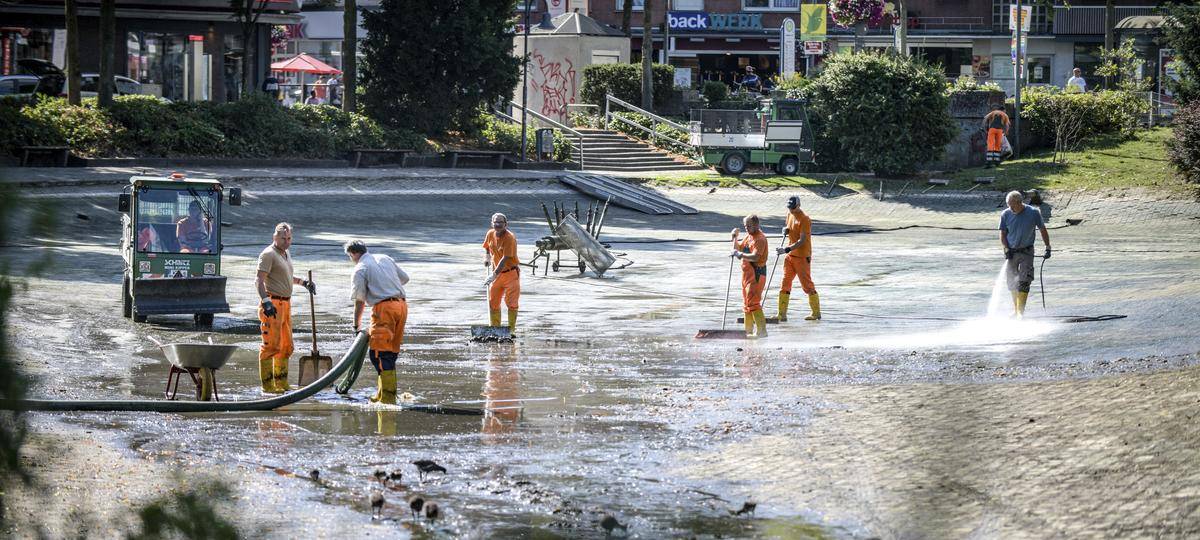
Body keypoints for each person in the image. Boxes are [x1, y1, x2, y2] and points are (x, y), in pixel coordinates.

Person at [255, 223, 317, 393]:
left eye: (289, 238)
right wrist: (266, 301)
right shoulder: (268, 254)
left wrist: (304, 282)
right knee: (271, 346)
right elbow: (259, 281)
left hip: (286, 304)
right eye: (283, 238)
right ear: (275, 237)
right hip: (272, 304)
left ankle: (281, 383)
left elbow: (287, 277)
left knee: (286, 346)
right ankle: (267, 386)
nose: (287, 242)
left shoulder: (286, 253)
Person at [345, 240, 409, 405]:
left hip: (384, 309)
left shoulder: (360, 268)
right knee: (391, 351)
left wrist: (356, 326)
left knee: (379, 354)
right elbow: (405, 278)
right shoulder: (385, 258)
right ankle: (383, 393)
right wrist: (385, 283)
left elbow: (359, 301)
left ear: (352, 254)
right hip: (401, 306)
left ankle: (387, 397)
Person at [999, 191, 1051, 318]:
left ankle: (1020, 313)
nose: (1010, 208)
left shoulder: (1033, 213)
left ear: (1019, 202)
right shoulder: (1005, 214)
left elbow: (1043, 229)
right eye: (1009, 205)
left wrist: (1048, 247)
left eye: (1012, 205)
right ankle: (1016, 309)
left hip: (1027, 251)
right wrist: (1006, 248)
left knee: (1024, 280)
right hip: (1011, 252)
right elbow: (1003, 234)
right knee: (1011, 281)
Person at [776, 195, 820, 322]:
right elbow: (790, 229)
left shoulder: (805, 219)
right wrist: (786, 231)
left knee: (807, 285)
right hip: (790, 257)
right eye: (790, 208)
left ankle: (816, 313)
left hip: (802, 256)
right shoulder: (789, 215)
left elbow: (802, 240)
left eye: (793, 208)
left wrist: (786, 249)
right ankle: (782, 314)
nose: (791, 210)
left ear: (799, 206)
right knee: (785, 283)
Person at [483, 213, 520, 334]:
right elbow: (487, 246)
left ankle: (511, 331)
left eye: (500, 222)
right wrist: (487, 257)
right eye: (495, 222)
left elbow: (505, 259)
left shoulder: (510, 238)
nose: (498, 225)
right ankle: (495, 330)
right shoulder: (490, 233)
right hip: (497, 274)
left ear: (506, 224)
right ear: (492, 223)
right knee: (493, 301)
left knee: (511, 303)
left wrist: (493, 275)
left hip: (510, 274)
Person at [732, 214, 769, 338]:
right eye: (745, 226)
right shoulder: (749, 237)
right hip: (746, 275)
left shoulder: (760, 239)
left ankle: (762, 331)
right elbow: (738, 249)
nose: (747, 228)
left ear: (757, 225)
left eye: (749, 226)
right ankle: (747, 331)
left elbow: (755, 257)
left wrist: (740, 255)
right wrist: (734, 238)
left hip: (757, 274)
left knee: (753, 303)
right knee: (746, 304)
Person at [982, 103, 1010, 168]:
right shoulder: (1005, 115)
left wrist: (984, 128)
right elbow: (1007, 125)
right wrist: (1006, 132)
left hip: (992, 129)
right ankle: (997, 162)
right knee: (997, 146)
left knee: (990, 145)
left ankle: (989, 163)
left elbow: (985, 119)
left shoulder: (993, 112)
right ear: (1004, 110)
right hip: (999, 131)